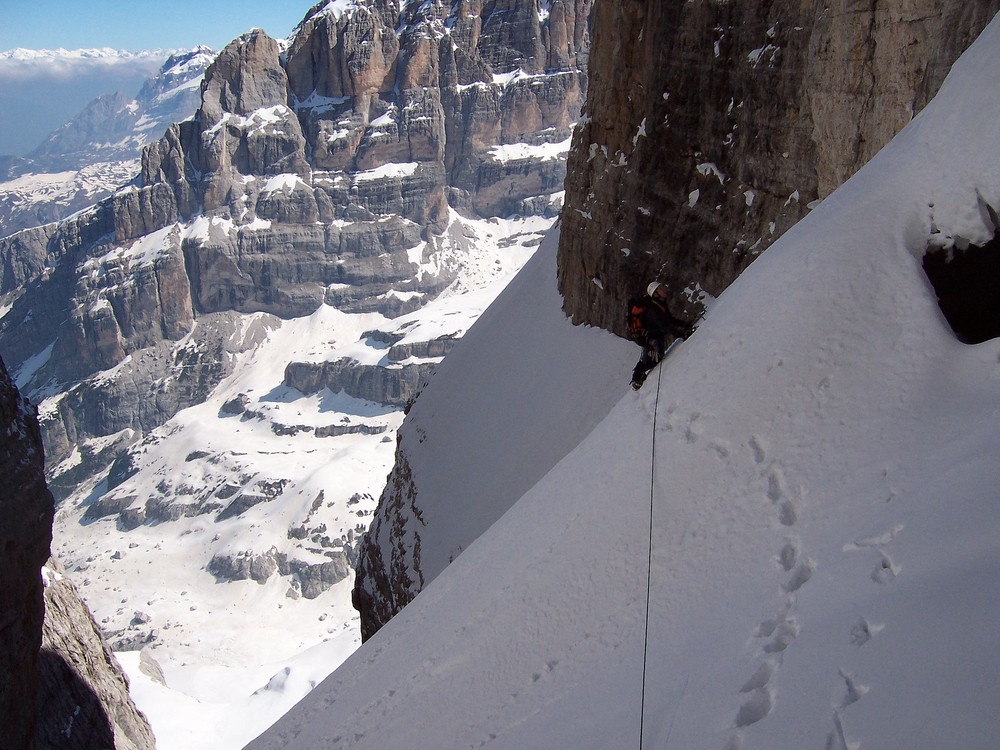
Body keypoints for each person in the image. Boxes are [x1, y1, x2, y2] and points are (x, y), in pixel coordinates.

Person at [630, 281, 693, 390]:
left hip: (653, 337)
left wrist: (684, 325)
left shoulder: (659, 304)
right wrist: (681, 333)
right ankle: (636, 379)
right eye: (660, 289)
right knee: (651, 361)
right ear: (655, 294)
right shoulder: (653, 309)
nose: (664, 289)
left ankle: (637, 378)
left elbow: (669, 320)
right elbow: (664, 326)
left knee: (654, 359)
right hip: (650, 338)